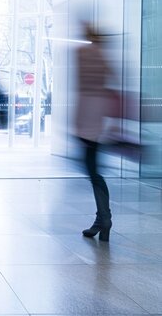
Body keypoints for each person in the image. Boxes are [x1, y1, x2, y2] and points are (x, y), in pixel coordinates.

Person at [75, 22, 112, 241]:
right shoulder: (104, 57)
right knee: (94, 171)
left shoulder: (82, 53)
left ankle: (104, 219)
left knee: (93, 172)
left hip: (87, 120)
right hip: (99, 120)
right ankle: (102, 218)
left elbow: (82, 86)